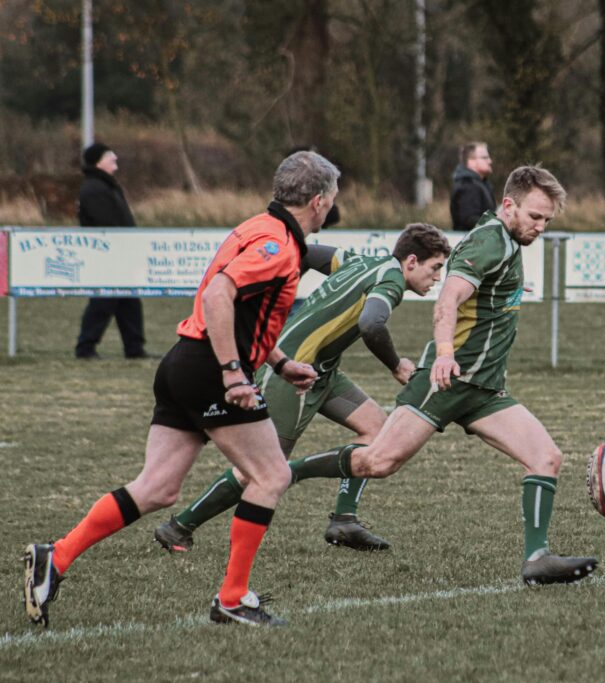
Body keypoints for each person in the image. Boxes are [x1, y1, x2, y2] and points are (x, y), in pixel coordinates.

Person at [23, 151, 337, 628]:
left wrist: (277, 361)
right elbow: (218, 297)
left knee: (157, 488)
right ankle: (232, 599)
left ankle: (57, 556)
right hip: (210, 370)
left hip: (183, 362)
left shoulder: (257, 227)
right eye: (332, 199)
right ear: (317, 201)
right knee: (271, 476)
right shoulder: (279, 247)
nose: (332, 208)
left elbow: (242, 309)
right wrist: (234, 373)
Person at [299, 165, 598, 586]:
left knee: (546, 457)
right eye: (535, 217)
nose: (541, 227)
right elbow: (448, 300)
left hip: (485, 390)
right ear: (508, 205)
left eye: (548, 220)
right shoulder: (488, 240)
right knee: (377, 461)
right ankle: (288, 472)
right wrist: (442, 354)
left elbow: (481, 295)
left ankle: (537, 557)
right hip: (447, 380)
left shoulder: (508, 245)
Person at [153, 224, 451, 554]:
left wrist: (285, 299)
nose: (437, 278)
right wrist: (396, 365)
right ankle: (179, 526)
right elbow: (371, 323)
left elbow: (306, 255)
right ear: (411, 261)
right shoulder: (391, 280)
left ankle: (344, 520)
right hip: (293, 373)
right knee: (262, 468)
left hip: (323, 373)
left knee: (377, 431)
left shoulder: (359, 260)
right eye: (435, 267)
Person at [73, 143, 153, 359]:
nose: (116, 164)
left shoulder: (106, 186)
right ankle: (85, 347)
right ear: (99, 162)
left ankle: (134, 348)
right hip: (107, 256)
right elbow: (106, 224)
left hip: (121, 254)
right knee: (103, 301)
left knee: (128, 301)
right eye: (111, 160)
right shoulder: (94, 189)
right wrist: (122, 245)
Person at [449, 142, 495, 231]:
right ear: (471, 162)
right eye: (485, 158)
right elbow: (469, 220)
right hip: (472, 243)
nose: (490, 161)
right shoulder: (468, 185)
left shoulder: (480, 183)